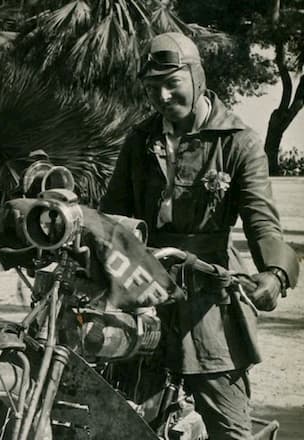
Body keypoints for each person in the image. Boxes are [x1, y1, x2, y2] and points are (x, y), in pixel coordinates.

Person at [100, 32, 299, 439]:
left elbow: (262, 220)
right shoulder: (140, 141)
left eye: (172, 82)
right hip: (144, 288)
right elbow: (113, 213)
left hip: (208, 296)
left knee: (228, 424)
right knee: (123, 414)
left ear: (197, 77)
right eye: (153, 86)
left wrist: (275, 273)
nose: (163, 94)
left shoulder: (238, 143)